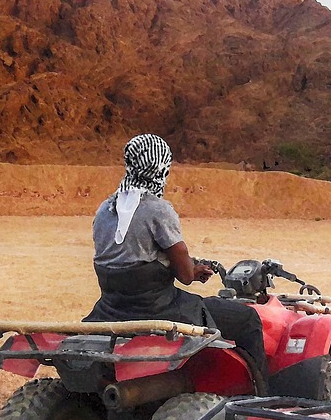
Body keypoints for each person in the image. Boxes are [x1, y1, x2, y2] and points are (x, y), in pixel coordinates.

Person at [87, 133, 267, 385]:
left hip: (111, 308)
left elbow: (127, 258)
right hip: (158, 308)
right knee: (248, 319)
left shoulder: (105, 209)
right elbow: (184, 275)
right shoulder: (158, 210)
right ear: (160, 167)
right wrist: (195, 271)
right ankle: (261, 396)